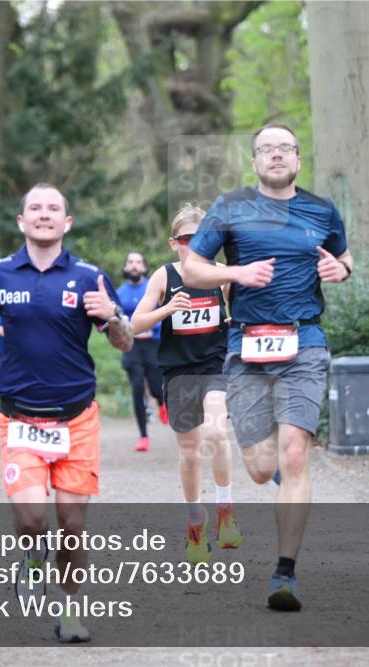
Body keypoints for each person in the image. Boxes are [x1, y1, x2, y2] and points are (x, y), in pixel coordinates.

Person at [183, 123, 353, 612]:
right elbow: (194, 267)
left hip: (305, 343)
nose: (276, 155)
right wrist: (236, 272)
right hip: (248, 347)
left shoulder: (321, 209)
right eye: (266, 149)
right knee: (261, 468)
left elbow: (344, 259)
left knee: (295, 455)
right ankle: (282, 487)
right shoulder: (231, 206)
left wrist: (339, 270)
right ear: (254, 161)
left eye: (285, 148)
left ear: (298, 158)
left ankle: (285, 574)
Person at [0, 183, 132, 643]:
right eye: (35, 208)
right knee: (33, 519)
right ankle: (34, 559)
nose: (44, 214)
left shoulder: (89, 275)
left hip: (76, 419)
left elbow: (124, 341)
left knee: (72, 525)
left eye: (54, 208)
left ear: (66, 222)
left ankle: (71, 611)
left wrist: (112, 316)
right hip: (19, 419)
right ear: (21, 221)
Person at [129, 204, 243, 564]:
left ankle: (225, 511)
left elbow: (246, 307)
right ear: (174, 243)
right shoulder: (164, 277)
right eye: (186, 239)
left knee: (216, 433)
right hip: (178, 371)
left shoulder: (221, 273)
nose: (194, 245)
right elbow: (133, 324)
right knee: (191, 455)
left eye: (202, 238)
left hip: (216, 365)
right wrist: (167, 310)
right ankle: (196, 524)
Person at [116, 251, 168, 452]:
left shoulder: (153, 287)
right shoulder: (120, 293)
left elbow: (166, 314)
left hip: (153, 344)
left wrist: (150, 328)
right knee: (137, 387)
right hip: (132, 346)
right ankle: (143, 436)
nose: (134, 266)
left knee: (156, 387)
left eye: (138, 262)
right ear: (126, 267)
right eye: (130, 262)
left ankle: (162, 403)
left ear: (144, 267)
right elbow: (116, 319)